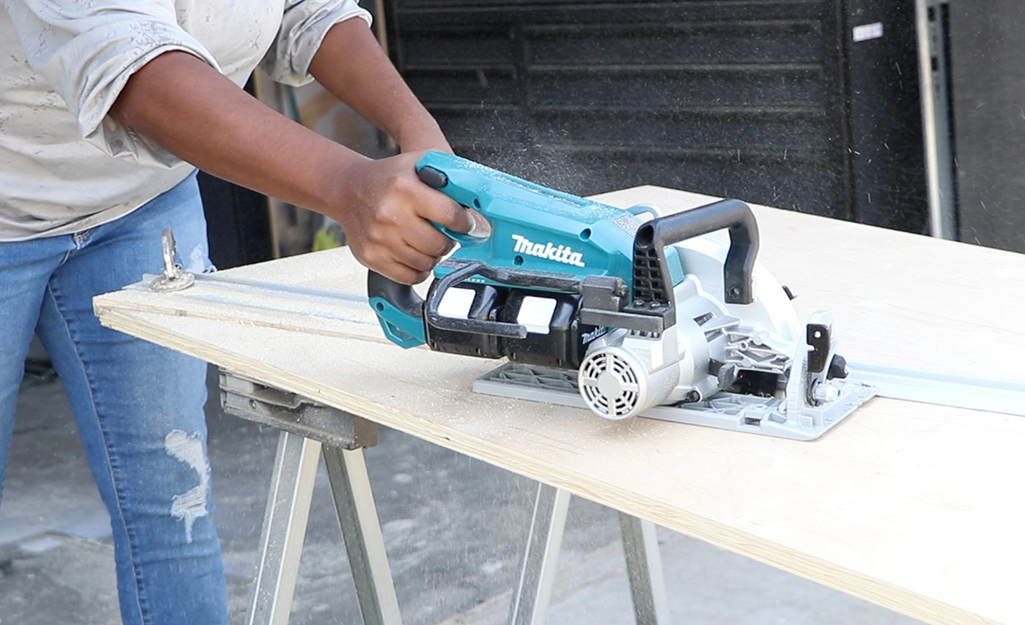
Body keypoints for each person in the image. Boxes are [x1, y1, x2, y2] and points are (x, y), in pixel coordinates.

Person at [0, 1, 488, 623]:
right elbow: (131, 65)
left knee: (174, 499)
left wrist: (418, 132)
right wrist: (348, 187)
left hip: (138, 203)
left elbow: (306, 11)